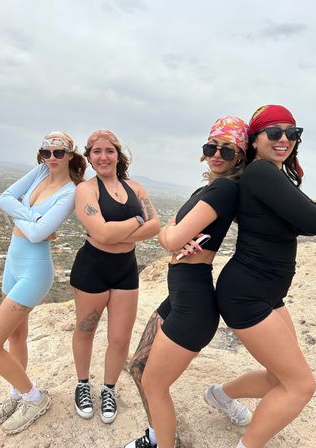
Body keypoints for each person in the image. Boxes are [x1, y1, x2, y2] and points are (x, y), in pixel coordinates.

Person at [124, 116, 251, 448]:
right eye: (211, 147)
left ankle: (164, 442)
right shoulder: (207, 187)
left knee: (153, 384)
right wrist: (173, 232)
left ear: (240, 154)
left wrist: (170, 233)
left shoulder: (225, 188)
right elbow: (173, 231)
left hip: (193, 306)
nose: (217, 154)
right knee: (138, 369)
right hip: (180, 296)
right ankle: (158, 435)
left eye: (227, 149)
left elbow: (170, 236)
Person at [204, 105, 316, 448]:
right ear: (255, 140)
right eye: (274, 132)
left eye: (292, 132)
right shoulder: (261, 173)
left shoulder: (275, 174)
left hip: (267, 293)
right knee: (300, 385)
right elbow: (315, 222)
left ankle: (219, 395)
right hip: (247, 295)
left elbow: (307, 217)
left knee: (280, 376)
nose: (284, 139)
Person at [0, 132, 86, 435]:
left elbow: (35, 234)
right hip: (13, 262)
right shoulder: (41, 171)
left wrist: (27, 220)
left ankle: (34, 397)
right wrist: (31, 217)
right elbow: (3, 198)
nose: (52, 158)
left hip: (34, 269)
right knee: (16, 337)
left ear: (71, 155)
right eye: (46, 152)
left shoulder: (71, 192)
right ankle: (17, 394)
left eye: (59, 153)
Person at [70, 129, 160, 424]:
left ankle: (108, 389)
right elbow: (101, 233)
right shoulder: (86, 189)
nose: (103, 156)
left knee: (120, 339)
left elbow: (156, 225)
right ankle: (83, 384)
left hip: (125, 269)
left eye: (109, 151)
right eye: (96, 151)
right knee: (85, 330)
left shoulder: (135, 187)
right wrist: (136, 221)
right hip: (92, 267)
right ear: (90, 157)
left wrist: (116, 232)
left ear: (118, 155)